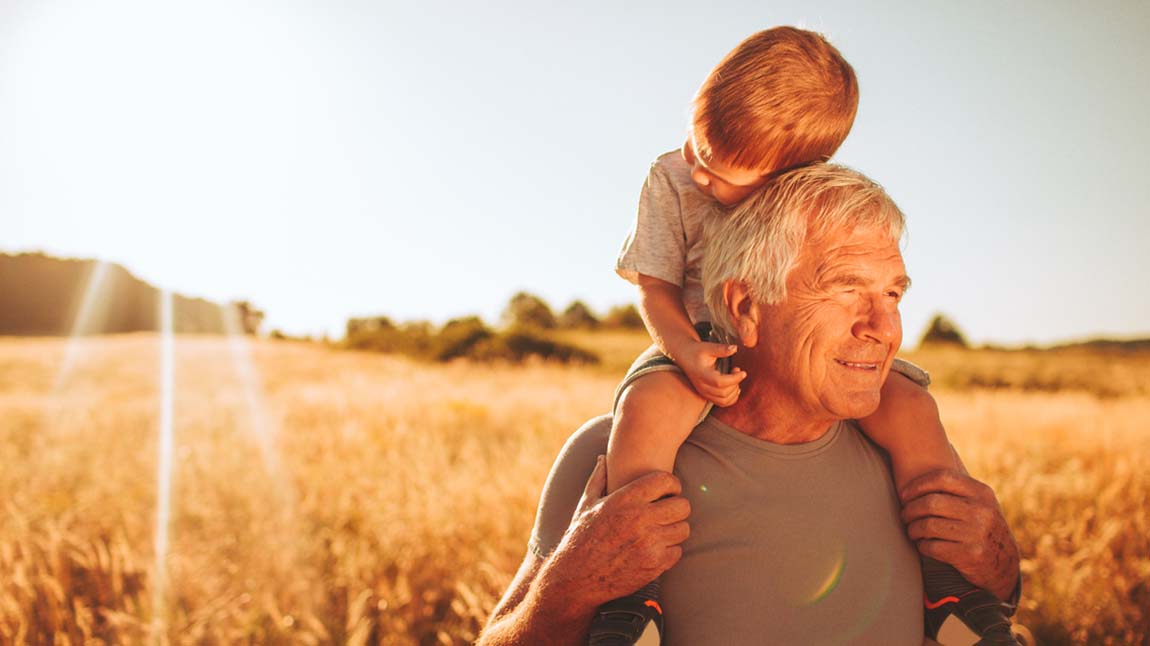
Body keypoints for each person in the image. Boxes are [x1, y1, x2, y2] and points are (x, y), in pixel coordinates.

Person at [478, 164, 1021, 645]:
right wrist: (567, 590)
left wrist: (999, 562)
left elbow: (984, 615)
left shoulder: (910, 457)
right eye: (845, 289)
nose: (884, 329)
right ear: (746, 307)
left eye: (893, 294)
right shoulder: (611, 457)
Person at [603, 26, 1003, 644]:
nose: (700, 176)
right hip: (693, 339)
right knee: (652, 405)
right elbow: (653, 287)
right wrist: (685, 350)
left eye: (892, 294)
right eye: (695, 149)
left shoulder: (805, 197)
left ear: (792, 171)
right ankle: (632, 600)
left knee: (911, 404)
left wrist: (995, 560)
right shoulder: (671, 176)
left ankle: (954, 589)